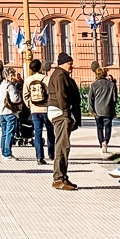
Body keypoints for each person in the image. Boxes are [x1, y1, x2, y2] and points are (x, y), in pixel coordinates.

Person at [46, 53, 82, 190]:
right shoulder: (60, 75)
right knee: (62, 146)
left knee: (64, 146)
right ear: (62, 64)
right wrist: (67, 114)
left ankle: (63, 177)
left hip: (61, 114)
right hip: (61, 114)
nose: (72, 66)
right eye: (70, 64)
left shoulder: (61, 75)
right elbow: (62, 97)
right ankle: (58, 178)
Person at [23, 58, 54, 165]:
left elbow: (25, 95)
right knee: (50, 132)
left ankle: (39, 157)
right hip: (46, 109)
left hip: (35, 110)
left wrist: (30, 105)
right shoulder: (47, 79)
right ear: (40, 67)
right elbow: (51, 93)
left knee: (38, 133)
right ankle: (51, 153)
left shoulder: (28, 80)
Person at [87, 66, 118, 154]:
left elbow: (90, 98)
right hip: (108, 110)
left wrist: (91, 109)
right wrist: (113, 108)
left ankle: (101, 143)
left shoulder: (94, 85)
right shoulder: (111, 85)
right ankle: (106, 141)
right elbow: (114, 98)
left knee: (99, 128)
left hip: (97, 110)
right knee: (108, 127)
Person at [0, 67, 24, 159]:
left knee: (4, 133)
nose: (13, 77)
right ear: (8, 75)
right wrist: (19, 97)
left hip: (2, 112)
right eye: (12, 75)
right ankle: (7, 153)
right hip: (10, 112)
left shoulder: (1, 86)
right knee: (10, 133)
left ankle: (3, 152)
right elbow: (15, 99)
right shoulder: (10, 86)